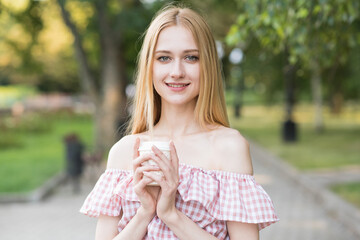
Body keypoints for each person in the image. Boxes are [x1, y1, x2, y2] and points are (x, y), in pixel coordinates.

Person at [80, 5, 279, 240]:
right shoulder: (124, 152)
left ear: (208, 66)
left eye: (191, 57)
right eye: (164, 58)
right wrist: (145, 212)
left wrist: (171, 215)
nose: (176, 71)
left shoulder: (229, 148)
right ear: (149, 66)